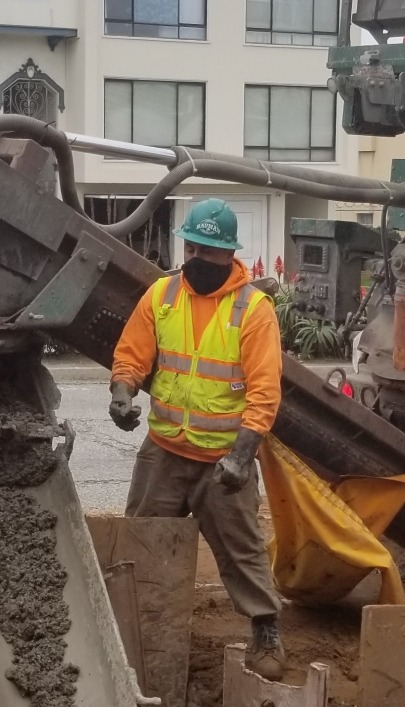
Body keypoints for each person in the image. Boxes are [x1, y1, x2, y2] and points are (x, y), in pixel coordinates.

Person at [109, 197, 288, 680]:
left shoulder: (253, 310)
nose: (197, 259)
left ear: (229, 255)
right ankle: (133, 623)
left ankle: (265, 626)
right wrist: (122, 393)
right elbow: (132, 355)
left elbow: (264, 392)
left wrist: (242, 455)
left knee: (240, 547)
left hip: (223, 460)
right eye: (192, 247)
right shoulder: (163, 296)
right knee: (141, 540)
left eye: (208, 251)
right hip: (164, 452)